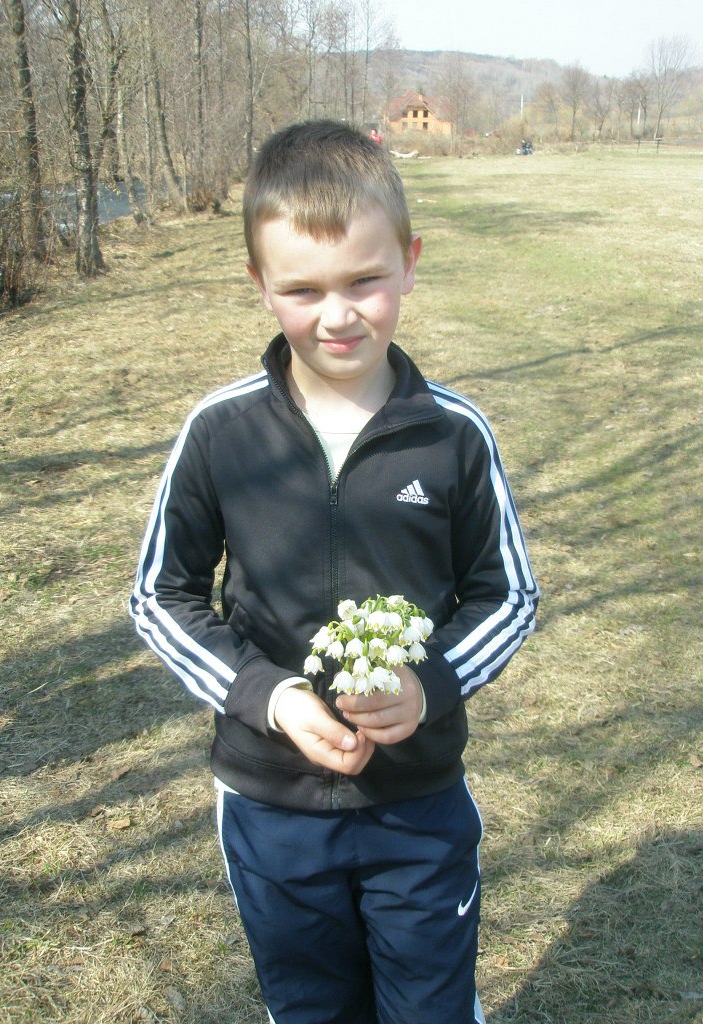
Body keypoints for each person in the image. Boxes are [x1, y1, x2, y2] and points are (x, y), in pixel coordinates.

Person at [130, 119, 538, 1024]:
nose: (338, 315)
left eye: (364, 281)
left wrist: (430, 686)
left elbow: (507, 594)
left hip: (417, 801)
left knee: (431, 1008)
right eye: (302, 290)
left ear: (410, 262)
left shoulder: (453, 434)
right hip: (270, 802)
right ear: (259, 284)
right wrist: (270, 696)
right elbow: (161, 596)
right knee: (312, 1008)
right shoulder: (222, 432)